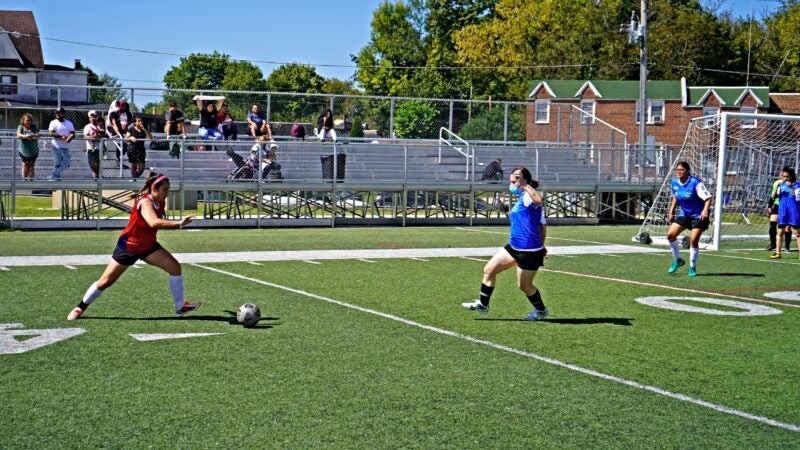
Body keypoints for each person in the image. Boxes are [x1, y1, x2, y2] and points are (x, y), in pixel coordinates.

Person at [67, 172, 198, 321]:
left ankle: (180, 307)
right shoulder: (145, 203)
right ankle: (80, 307)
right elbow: (153, 222)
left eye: (168, 189)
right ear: (154, 189)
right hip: (129, 246)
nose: (167, 193)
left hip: (148, 246)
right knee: (105, 281)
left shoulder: (160, 202)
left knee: (175, 267)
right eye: (165, 190)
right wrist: (179, 223)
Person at [462, 167, 549, 321]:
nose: (512, 183)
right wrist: (542, 245)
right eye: (511, 180)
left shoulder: (529, 196)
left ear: (524, 181)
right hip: (513, 246)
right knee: (489, 270)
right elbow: (542, 224)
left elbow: (538, 201)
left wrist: (525, 185)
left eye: (515, 180)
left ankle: (541, 310)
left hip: (529, 251)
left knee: (524, 286)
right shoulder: (522, 197)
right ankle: (483, 304)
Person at [666, 161, 712, 277]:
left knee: (693, 240)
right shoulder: (674, 183)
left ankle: (692, 267)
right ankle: (678, 260)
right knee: (670, 235)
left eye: (681, 170)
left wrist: (705, 210)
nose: (679, 172)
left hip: (698, 215)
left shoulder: (695, 183)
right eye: (677, 170)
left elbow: (708, 198)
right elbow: (675, 197)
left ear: (687, 171)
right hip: (684, 214)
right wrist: (671, 211)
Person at [769, 167, 800, 260]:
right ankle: (778, 253)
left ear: (791, 176)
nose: (785, 178)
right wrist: (776, 187)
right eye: (783, 176)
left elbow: (797, 197)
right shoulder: (781, 185)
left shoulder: (797, 185)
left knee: (797, 233)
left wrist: (790, 187)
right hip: (783, 212)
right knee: (780, 232)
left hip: (794, 211)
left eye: (787, 176)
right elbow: (773, 197)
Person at [767, 168, 793, 252]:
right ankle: (773, 243)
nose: (783, 177)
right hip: (778, 205)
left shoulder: (793, 185)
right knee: (772, 223)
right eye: (782, 175)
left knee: (787, 228)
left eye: (785, 176)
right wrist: (770, 206)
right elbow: (772, 196)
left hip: (788, 207)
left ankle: (787, 246)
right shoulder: (777, 183)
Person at [47, 107, 76, 181]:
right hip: (56, 146)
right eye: (57, 113)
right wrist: (61, 136)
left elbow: (73, 134)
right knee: (58, 164)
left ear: (63, 114)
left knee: (67, 163)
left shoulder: (69, 123)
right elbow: (51, 133)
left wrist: (70, 137)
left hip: (65, 146)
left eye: (59, 113)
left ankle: (54, 175)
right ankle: (57, 180)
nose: (58, 114)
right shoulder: (53, 122)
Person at [16, 113, 40, 181]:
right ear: (23, 121)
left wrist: (34, 135)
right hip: (24, 150)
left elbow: (38, 134)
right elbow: (18, 135)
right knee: (25, 165)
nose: (28, 122)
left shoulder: (34, 127)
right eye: (26, 120)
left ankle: (31, 181)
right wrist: (26, 136)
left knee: (32, 165)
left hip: (33, 150)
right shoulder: (20, 127)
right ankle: (24, 180)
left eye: (29, 120)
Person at [83, 110, 105, 180]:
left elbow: (103, 133)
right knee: (92, 164)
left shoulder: (100, 125)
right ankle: (98, 175)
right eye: (91, 117)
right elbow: (85, 136)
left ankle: (96, 179)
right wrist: (93, 136)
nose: (93, 118)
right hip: (91, 148)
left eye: (94, 117)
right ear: (89, 118)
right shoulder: (87, 126)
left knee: (98, 164)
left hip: (99, 148)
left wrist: (99, 133)